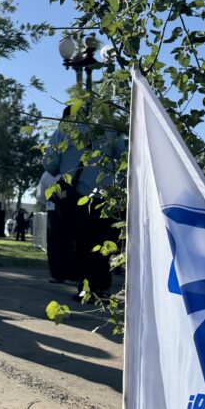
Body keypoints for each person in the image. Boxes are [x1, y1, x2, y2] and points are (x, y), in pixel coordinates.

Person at [43, 106, 126, 299]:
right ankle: (102, 286)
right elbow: (124, 156)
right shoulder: (107, 132)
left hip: (77, 198)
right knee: (102, 242)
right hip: (105, 198)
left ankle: (85, 288)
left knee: (80, 243)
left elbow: (50, 164)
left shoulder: (62, 132)